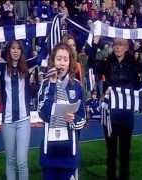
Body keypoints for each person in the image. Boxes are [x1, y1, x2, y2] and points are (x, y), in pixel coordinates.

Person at [0, 40, 40, 180]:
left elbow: (42, 55)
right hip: (7, 121)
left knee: (21, 161)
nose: (15, 51)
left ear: (21, 51)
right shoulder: (1, 67)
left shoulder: (27, 65)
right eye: (13, 48)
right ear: (8, 50)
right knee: (10, 160)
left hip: (23, 120)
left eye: (18, 48)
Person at [88, 37, 138, 180]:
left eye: (121, 44)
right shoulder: (107, 62)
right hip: (110, 113)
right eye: (115, 44)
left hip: (126, 113)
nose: (118, 47)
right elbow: (92, 62)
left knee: (125, 153)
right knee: (111, 153)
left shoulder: (133, 62)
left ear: (126, 47)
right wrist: (95, 43)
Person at [37, 43, 86, 180]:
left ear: (70, 62)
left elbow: (83, 117)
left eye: (65, 59)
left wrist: (74, 120)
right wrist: (52, 85)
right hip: (50, 153)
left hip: (69, 153)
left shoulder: (77, 86)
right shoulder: (46, 84)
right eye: (59, 59)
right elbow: (43, 114)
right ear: (53, 61)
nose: (62, 63)